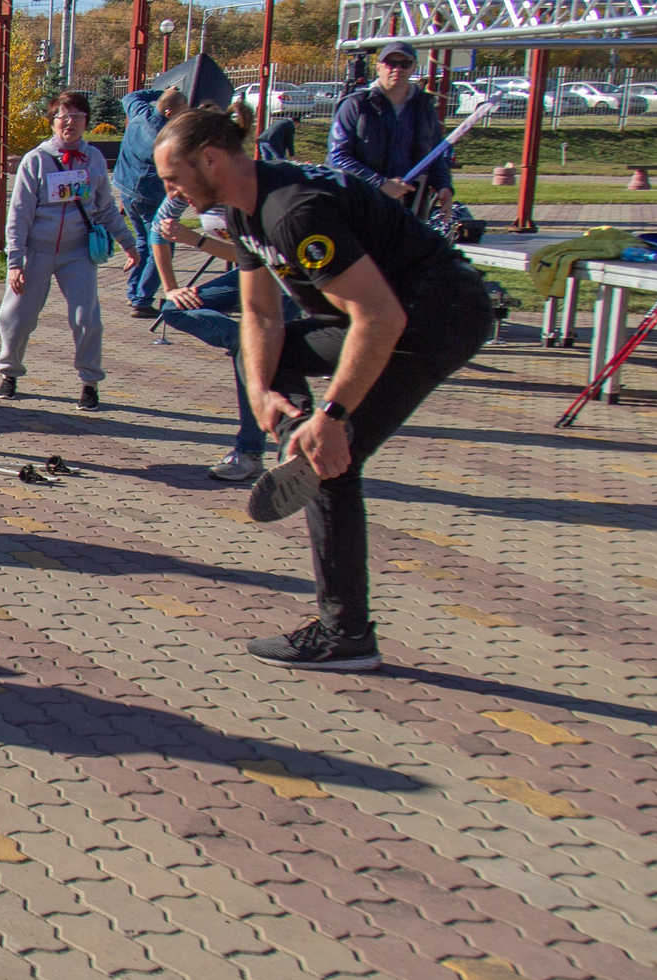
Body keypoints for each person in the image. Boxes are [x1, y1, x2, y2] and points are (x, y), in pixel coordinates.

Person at [154, 108, 496, 669]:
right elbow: (261, 316)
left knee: (332, 460)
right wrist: (264, 392)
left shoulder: (294, 210)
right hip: (383, 316)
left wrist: (332, 416)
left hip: (436, 314)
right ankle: (301, 443)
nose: (170, 192)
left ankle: (345, 633)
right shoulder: (243, 215)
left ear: (211, 159)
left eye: (174, 178)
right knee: (262, 359)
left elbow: (378, 318)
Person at [148, 191, 300, 483]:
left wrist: (195, 239)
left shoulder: (240, 193)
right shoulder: (179, 191)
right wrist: (171, 288)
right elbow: (158, 234)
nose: (171, 189)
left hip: (287, 276)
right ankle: (248, 343)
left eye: (176, 178)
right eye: (166, 180)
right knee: (173, 309)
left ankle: (253, 452)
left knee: (262, 361)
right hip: (251, 273)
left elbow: (253, 256)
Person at [0, 91, 134, 411]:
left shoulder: (95, 160)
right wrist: (15, 262)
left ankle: (89, 382)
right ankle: (9, 372)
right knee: (17, 316)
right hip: (37, 252)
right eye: (62, 116)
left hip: (77, 252)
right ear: (52, 121)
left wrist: (129, 243)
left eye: (76, 116)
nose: (69, 123)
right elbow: (19, 214)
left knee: (87, 318)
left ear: (86, 121)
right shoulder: (36, 160)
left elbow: (105, 210)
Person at [328, 40, 447, 206]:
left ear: (414, 68)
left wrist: (444, 186)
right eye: (391, 63)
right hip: (361, 203)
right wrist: (380, 183)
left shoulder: (424, 107)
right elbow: (337, 157)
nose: (397, 69)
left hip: (410, 206)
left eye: (405, 64)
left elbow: (435, 154)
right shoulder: (356, 104)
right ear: (379, 67)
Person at [113, 82, 186, 318]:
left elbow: (130, 96)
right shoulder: (165, 139)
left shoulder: (139, 111)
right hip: (150, 195)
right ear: (169, 113)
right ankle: (142, 299)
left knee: (144, 242)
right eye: (183, 109)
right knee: (161, 245)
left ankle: (134, 291)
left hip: (126, 188)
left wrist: (163, 92)